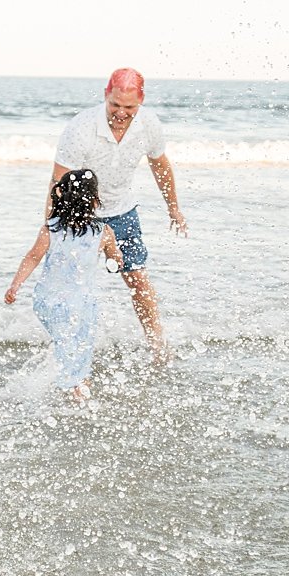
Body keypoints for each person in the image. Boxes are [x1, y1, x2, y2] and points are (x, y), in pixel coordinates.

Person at [49, 68, 186, 363]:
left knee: (138, 278)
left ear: (141, 101)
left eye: (129, 107)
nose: (121, 113)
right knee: (70, 286)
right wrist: (51, 228)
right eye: (115, 105)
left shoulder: (149, 124)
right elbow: (58, 183)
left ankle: (158, 347)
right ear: (105, 96)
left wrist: (173, 207)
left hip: (123, 212)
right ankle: (66, 351)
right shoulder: (81, 127)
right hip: (82, 218)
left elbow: (160, 165)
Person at [5, 169, 122, 399]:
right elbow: (115, 258)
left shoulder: (52, 228)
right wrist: (115, 259)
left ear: (61, 195)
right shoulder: (103, 232)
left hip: (51, 302)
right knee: (77, 344)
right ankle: (74, 389)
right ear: (95, 199)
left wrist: (16, 285)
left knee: (72, 344)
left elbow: (32, 257)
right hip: (76, 304)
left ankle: (75, 386)